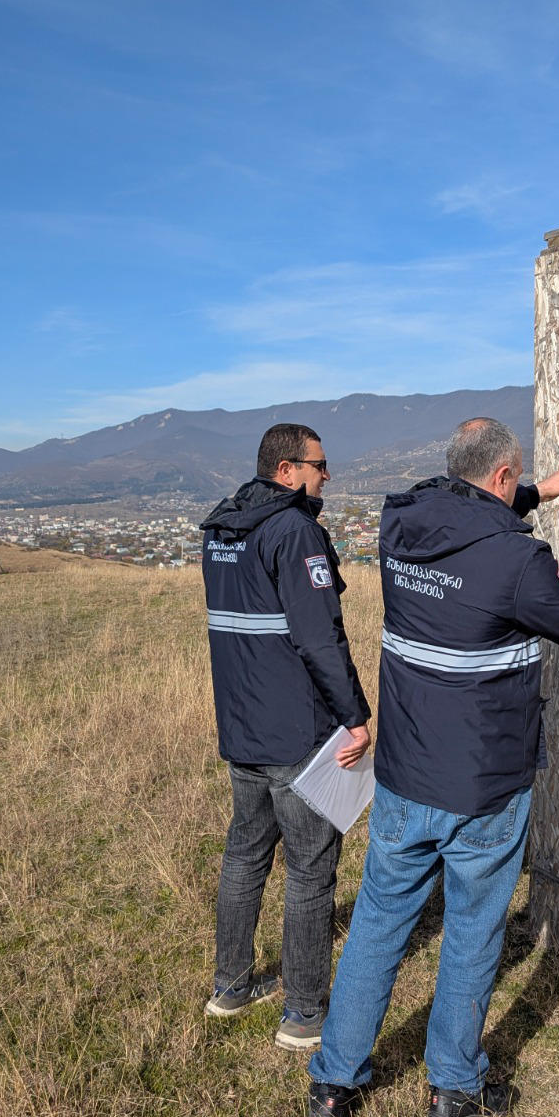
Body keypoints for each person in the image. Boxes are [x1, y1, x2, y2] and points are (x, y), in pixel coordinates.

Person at [306, 417, 559, 1117]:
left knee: (378, 923)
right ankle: (453, 1089)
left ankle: (332, 1086)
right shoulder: (519, 560)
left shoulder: (399, 525)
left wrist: (538, 492)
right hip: (484, 787)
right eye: (517, 480)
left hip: (404, 775)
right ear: (501, 477)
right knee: (474, 930)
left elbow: (463, 521)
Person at [199, 422, 372, 1052]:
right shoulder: (294, 530)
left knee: (244, 855)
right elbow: (319, 638)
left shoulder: (221, 528)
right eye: (319, 465)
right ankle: (303, 1013)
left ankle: (230, 986)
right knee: (310, 870)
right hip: (298, 733)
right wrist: (356, 715)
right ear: (286, 470)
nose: (327, 475)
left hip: (241, 726)